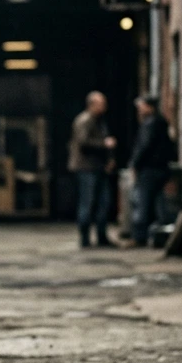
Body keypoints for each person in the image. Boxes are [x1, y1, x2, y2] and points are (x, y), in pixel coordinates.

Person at [69, 91, 115, 248]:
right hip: (86, 168)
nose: (104, 107)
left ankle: (102, 237)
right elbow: (83, 142)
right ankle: (85, 239)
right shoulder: (85, 120)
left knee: (104, 202)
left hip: (98, 167)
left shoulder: (99, 120)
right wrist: (104, 144)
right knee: (87, 203)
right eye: (101, 104)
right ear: (92, 104)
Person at [128, 95, 174, 248]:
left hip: (149, 169)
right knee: (159, 204)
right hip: (160, 168)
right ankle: (163, 235)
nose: (139, 110)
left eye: (141, 106)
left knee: (142, 203)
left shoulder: (150, 124)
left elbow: (144, 146)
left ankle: (139, 237)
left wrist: (135, 164)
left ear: (149, 107)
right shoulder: (161, 122)